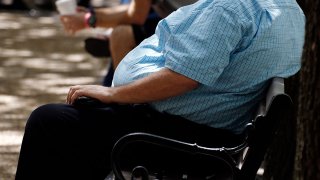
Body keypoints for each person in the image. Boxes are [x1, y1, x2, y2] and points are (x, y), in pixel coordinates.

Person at [15, 0, 305, 179]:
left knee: (49, 121)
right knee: (80, 115)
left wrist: (113, 93)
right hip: (212, 134)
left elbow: (183, 78)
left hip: (185, 142)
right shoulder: (288, 8)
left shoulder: (232, 7)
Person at [60, 0, 162, 86]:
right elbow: (133, 7)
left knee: (121, 34)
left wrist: (89, 19)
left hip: (166, 32)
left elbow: (137, 15)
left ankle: (123, 100)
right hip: (157, 21)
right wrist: (93, 14)